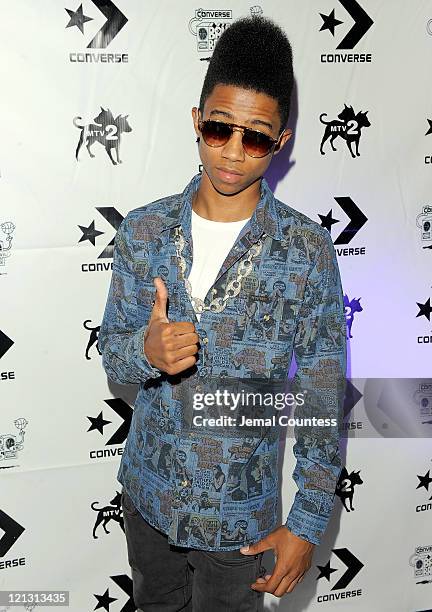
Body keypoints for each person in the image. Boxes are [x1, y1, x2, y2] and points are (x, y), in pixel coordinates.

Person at [98, 14, 346, 611]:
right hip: (148, 502)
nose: (235, 152)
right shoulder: (145, 232)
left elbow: (319, 395)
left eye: (257, 137)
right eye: (220, 128)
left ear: (281, 141)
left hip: (240, 525)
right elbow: (113, 349)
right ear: (197, 120)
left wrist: (308, 523)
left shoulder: (306, 253)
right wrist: (145, 351)